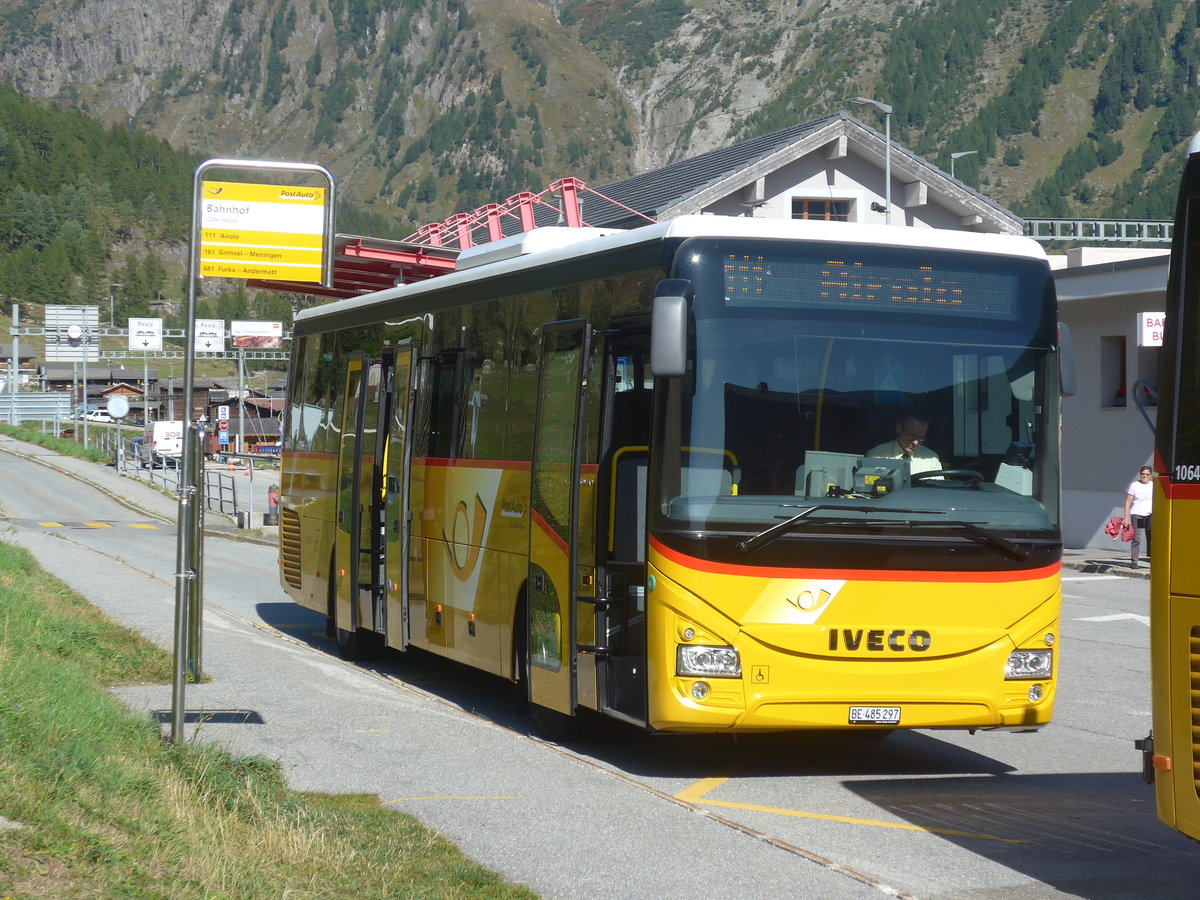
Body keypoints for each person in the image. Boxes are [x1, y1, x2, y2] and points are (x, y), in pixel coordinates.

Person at [866, 408, 942, 475]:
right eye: (911, 436)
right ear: (899, 428)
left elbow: (937, 490)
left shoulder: (931, 459)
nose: (915, 443)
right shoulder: (876, 456)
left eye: (920, 438)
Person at [1123, 465, 1153, 568]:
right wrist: (1126, 518)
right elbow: (1127, 502)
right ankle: (1134, 561)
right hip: (1137, 514)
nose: (1145, 476)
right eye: (1143, 474)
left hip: (1150, 514)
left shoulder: (1154, 485)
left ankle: (1152, 560)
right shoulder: (1134, 485)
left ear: (1150, 475)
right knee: (1137, 538)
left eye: (1147, 474)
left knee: (1152, 538)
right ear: (1140, 474)